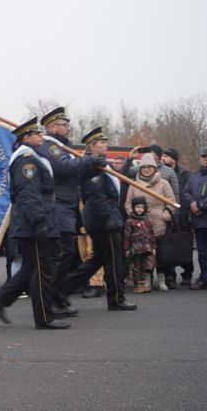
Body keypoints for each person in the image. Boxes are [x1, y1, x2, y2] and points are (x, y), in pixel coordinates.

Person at [0, 117, 69, 330]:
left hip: (34, 221)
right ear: (27, 137)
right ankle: (44, 317)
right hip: (34, 223)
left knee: (32, 267)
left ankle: (1, 299)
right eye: (37, 134)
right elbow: (29, 193)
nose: (42, 137)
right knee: (41, 271)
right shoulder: (26, 159)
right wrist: (39, 221)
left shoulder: (32, 155)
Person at [55, 127, 137, 312]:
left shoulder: (100, 163)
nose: (106, 145)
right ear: (92, 146)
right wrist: (108, 218)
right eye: (102, 143)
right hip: (102, 218)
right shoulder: (90, 165)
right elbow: (95, 195)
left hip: (104, 216)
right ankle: (116, 299)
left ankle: (60, 290)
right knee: (113, 260)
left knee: (97, 260)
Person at [37, 107, 100, 317]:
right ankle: (52, 299)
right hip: (58, 206)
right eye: (65, 124)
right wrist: (89, 160)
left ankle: (58, 296)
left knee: (67, 254)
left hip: (69, 205)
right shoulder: (51, 146)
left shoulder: (64, 146)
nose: (69, 127)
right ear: (53, 127)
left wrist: (94, 165)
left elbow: (76, 173)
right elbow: (63, 168)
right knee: (63, 253)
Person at [124, 154, 176, 291]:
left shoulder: (163, 183)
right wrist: (134, 216)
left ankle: (161, 278)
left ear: (154, 168)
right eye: (144, 167)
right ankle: (146, 278)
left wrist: (166, 214)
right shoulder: (134, 185)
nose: (146, 170)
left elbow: (172, 201)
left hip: (160, 222)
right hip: (141, 225)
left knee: (161, 252)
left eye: (149, 167)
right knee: (145, 253)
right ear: (140, 169)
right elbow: (128, 203)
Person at [183, 147, 207, 290]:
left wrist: (200, 205)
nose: (206, 159)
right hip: (199, 221)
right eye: (203, 157)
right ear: (200, 159)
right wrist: (192, 204)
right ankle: (204, 279)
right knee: (202, 252)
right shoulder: (194, 176)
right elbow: (185, 193)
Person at [161, 148, 194, 286]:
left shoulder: (185, 174)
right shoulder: (162, 173)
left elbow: (188, 193)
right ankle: (170, 275)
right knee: (169, 244)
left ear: (174, 159)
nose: (163, 158)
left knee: (185, 244)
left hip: (183, 215)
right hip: (169, 214)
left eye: (166, 156)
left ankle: (187, 274)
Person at [123, 196, 157, 293]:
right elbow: (126, 236)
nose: (140, 209)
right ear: (133, 208)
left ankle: (142, 284)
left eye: (142, 207)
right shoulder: (129, 221)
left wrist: (153, 247)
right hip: (135, 249)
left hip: (146, 248)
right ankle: (137, 285)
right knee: (135, 267)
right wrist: (126, 249)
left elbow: (151, 234)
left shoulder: (147, 220)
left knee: (144, 266)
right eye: (137, 207)